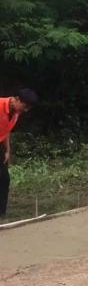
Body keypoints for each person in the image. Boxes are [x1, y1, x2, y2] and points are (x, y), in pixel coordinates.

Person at [1, 89, 38, 217]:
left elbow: (6, 130)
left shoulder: (16, 112)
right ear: (16, 99)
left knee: (4, 178)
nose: (25, 110)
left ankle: (1, 214)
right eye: (25, 106)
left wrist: (7, 150)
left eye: (28, 108)